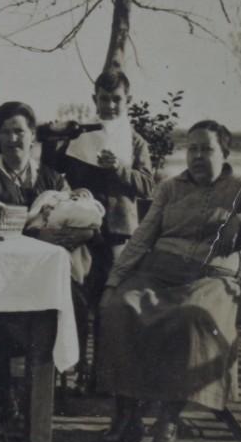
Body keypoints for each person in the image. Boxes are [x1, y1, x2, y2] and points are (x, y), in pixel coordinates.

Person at [95, 120, 241, 442]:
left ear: (224, 152)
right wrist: (113, 282)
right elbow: (141, 239)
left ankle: (169, 418)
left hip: (211, 278)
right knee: (121, 308)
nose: (198, 156)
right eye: (192, 149)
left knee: (191, 317)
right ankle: (127, 415)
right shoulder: (169, 188)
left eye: (207, 149)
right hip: (159, 273)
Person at [0, 101, 97, 422]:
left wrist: (74, 231)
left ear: (32, 137)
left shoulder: (51, 178)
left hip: (46, 273)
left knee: (74, 302)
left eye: (19, 131)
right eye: (6, 132)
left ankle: (44, 388)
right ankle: (2, 389)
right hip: (1, 272)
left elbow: (77, 216)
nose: (13, 139)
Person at [40, 69, 155, 293]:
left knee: (112, 290)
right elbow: (53, 169)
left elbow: (148, 186)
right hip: (80, 228)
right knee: (78, 287)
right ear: (95, 99)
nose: (110, 105)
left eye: (116, 99)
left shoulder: (136, 142)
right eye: (104, 98)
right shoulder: (80, 135)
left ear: (128, 100)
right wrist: (51, 139)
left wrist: (119, 168)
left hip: (118, 232)